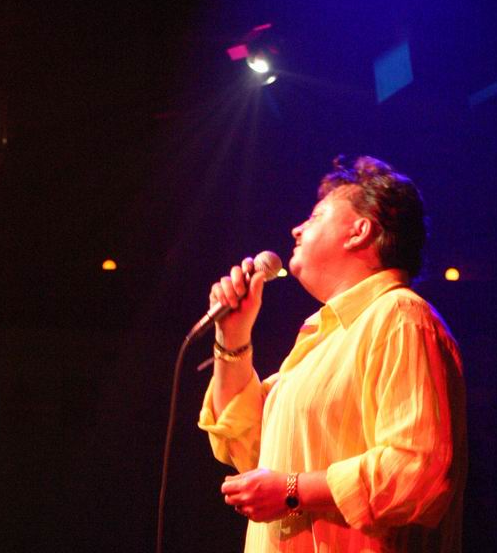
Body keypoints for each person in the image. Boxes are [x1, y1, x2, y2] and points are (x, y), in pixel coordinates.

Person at [198, 155, 467, 552]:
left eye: (316, 215)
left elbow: (416, 469)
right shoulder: (323, 339)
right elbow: (249, 444)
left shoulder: (400, 317)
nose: (297, 228)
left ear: (359, 231)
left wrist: (293, 490)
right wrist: (232, 336)